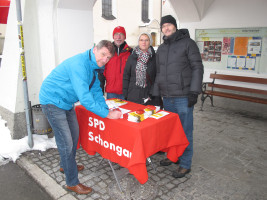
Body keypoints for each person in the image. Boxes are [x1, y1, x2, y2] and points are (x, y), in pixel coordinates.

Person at [39, 40, 122, 194]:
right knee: (66, 141)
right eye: (103, 54)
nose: (105, 60)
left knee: (74, 136)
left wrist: (105, 110)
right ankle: (72, 182)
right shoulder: (80, 64)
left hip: (66, 102)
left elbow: (96, 90)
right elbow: (85, 98)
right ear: (94, 49)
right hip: (52, 100)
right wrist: (108, 114)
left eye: (108, 58)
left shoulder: (94, 67)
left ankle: (65, 164)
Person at [153, 15, 204, 178]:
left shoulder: (188, 43)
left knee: (185, 131)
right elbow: (158, 73)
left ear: (175, 26)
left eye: (169, 25)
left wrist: (194, 91)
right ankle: (172, 156)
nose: (166, 28)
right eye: (163, 26)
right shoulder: (161, 48)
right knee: (170, 132)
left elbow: (197, 67)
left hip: (183, 96)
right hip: (167, 97)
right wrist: (156, 93)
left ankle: (185, 163)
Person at [123, 32, 161, 106]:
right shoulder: (132, 57)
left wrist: (153, 92)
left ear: (150, 42)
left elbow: (159, 76)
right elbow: (126, 76)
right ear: (138, 42)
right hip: (133, 95)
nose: (144, 42)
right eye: (141, 40)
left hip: (150, 96)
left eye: (146, 40)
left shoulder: (155, 57)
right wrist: (125, 94)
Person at [98, 26, 132, 99]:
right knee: (111, 111)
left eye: (121, 34)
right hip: (111, 92)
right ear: (113, 37)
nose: (118, 37)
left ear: (124, 37)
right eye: (116, 34)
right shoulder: (107, 52)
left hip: (126, 93)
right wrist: (100, 91)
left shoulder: (130, 52)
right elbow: (101, 73)